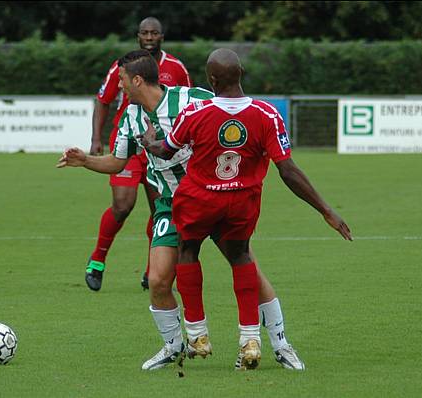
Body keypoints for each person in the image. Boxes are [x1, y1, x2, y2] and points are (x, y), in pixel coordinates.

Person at [58, 50, 307, 372]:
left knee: (250, 273)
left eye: (121, 80)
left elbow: (230, 106)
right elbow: (118, 162)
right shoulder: (130, 119)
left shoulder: (192, 99)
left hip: (212, 198)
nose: (118, 87)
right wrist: (86, 161)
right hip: (169, 204)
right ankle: (174, 346)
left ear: (136, 80)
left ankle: (281, 345)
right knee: (160, 280)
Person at [141, 48, 353, 370]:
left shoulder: (195, 113)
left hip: (199, 199)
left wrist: (149, 140)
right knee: (241, 258)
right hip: (242, 201)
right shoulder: (266, 114)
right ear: (241, 75)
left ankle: (198, 334)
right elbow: (288, 170)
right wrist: (325, 209)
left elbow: (166, 151)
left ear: (211, 79)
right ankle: (250, 340)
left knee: (187, 250)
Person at [86, 17, 191, 291]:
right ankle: (97, 260)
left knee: (161, 208)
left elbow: (188, 105)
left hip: (163, 147)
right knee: (123, 205)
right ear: (138, 36)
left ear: (162, 36)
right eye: (144, 32)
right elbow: (103, 99)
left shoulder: (176, 67)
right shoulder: (122, 68)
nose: (148, 36)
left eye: (154, 32)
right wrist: (96, 139)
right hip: (129, 144)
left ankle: (151, 269)